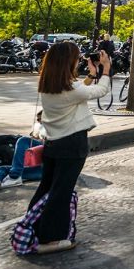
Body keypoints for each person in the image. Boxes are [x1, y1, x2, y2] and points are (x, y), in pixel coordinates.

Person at [24, 42, 112, 253]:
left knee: (47, 188)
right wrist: (106, 70)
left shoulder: (49, 85)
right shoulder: (70, 88)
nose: (79, 60)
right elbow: (99, 91)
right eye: (76, 57)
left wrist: (91, 75)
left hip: (53, 143)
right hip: (72, 143)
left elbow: (78, 91)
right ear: (67, 62)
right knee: (62, 192)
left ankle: (34, 227)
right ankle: (50, 238)